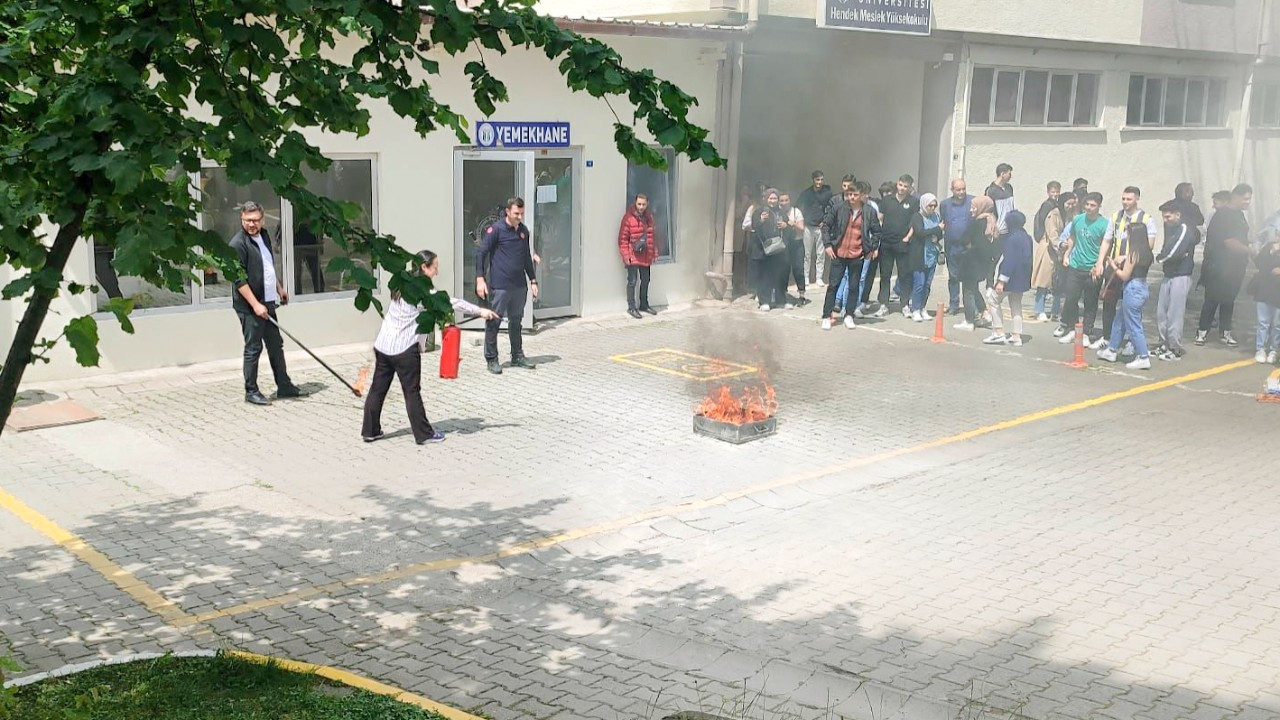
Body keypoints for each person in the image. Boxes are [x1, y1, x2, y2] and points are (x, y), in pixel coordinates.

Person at [363, 251, 498, 445]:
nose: (437, 271)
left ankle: (370, 431)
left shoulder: (400, 285)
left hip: (383, 345)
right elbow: (453, 303)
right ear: (424, 267)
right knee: (411, 392)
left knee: (377, 389)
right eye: (434, 267)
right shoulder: (425, 293)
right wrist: (480, 311)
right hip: (403, 349)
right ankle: (424, 434)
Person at [229, 201, 307, 406]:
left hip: (268, 300)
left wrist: (279, 289)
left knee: (275, 344)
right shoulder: (238, 244)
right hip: (249, 306)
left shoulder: (263, 236)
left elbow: (267, 267)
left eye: (255, 220)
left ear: (262, 220)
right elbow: (239, 281)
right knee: (253, 347)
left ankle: (284, 385)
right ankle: (251, 391)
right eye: (247, 220)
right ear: (242, 219)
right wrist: (255, 305)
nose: (252, 224)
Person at [476, 196, 538, 374]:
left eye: (522, 213)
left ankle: (517, 355)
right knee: (493, 321)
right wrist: (480, 279)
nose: (519, 217)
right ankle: (491, 359)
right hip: (500, 285)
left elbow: (526, 257)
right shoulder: (496, 230)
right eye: (516, 213)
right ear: (508, 212)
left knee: (516, 321)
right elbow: (481, 253)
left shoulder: (523, 231)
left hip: (519, 285)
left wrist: (533, 280)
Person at [1095, 186, 1158, 351]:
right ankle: (1108, 338)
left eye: (1129, 199)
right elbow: (1107, 241)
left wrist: (1128, 256)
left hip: (1133, 270)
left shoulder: (1146, 218)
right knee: (1109, 302)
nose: (1125, 202)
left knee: (1131, 306)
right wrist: (1100, 262)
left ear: (1137, 199)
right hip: (1114, 268)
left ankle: (1132, 341)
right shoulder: (1116, 217)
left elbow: (1149, 244)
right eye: (1123, 198)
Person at [1196, 183, 1253, 347]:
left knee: (1229, 300)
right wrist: (1250, 250)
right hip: (1217, 267)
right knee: (1212, 300)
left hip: (1235, 268)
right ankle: (1202, 332)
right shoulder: (1222, 216)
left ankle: (1225, 332)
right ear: (1236, 196)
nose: (1248, 202)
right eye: (1246, 198)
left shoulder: (1240, 215)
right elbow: (1229, 241)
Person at [821, 183, 881, 330]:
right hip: (838, 253)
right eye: (849, 194)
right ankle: (826, 316)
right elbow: (826, 226)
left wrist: (871, 249)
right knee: (833, 286)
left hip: (857, 254)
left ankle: (849, 315)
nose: (852, 197)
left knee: (854, 286)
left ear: (861, 195)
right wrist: (828, 245)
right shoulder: (839, 208)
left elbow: (877, 232)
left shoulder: (869, 211)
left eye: (855, 194)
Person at [1056, 192, 1112, 347]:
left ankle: (1086, 332)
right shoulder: (1078, 219)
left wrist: (1099, 264)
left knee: (1090, 302)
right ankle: (1074, 330)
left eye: (1092, 205)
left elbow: (1105, 246)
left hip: (1092, 268)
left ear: (1099, 206)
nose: (1089, 208)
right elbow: (1072, 238)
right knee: (1070, 299)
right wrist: (1067, 254)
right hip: (1075, 265)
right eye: (1087, 204)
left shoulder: (1104, 224)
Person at [1097, 224, 1155, 369]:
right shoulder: (1146, 252)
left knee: (1134, 325)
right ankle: (1112, 349)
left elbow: (1124, 275)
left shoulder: (1133, 253)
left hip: (1132, 289)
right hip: (1141, 287)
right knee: (1119, 320)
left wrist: (1113, 265)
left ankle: (1143, 356)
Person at [1153, 200, 1199, 361]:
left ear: (1178, 215)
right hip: (1169, 274)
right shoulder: (1171, 228)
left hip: (1181, 275)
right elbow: (1170, 250)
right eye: (1164, 217)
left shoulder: (1184, 229)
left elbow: (1172, 251)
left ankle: (1175, 348)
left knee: (1175, 314)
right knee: (1162, 312)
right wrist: (1167, 256)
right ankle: (1163, 343)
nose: (1165, 220)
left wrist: (1161, 258)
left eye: (1168, 217)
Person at [983, 210, 1033, 346]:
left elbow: (1009, 261)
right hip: (1022, 278)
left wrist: (1001, 281)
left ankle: (998, 332)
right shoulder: (1027, 237)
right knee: (1016, 305)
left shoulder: (1012, 239)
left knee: (993, 300)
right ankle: (1017, 335)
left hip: (1010, 278)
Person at [877, 174, 919, 316]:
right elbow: (880, 219)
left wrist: (907, 237)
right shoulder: (887, 200)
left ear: (910, 188)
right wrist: (880, 235)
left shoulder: (913, 202)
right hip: (886, 243)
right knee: (885, 275)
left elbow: (914, 222)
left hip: (903, 243)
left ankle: (905, 305)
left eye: (905, 186)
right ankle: (883, 304)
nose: (902, 188)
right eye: (900, 185)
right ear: (897, 184)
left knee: (904, 275)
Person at [954, 195, 996, 331]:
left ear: (981, 207)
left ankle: (969, 320)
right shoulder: (991, 220)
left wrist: (967, 245)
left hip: (972, 262)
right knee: (974, 289)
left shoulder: (977, 223)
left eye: (973, 208)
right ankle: (984, 312)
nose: (971, 210)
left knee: (968, 290)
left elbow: (964, 239)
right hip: (983, 262)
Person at [618, 193, 658, 319]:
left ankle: (644, 304)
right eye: (639, 204)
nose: (641, 207)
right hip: (632, 255)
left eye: (643, 204)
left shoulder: (649, 217)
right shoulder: (628, 218)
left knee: (646, 280)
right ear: (635, 203)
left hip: (646, 254)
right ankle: (631, 307)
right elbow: (622, 239)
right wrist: (626, 256)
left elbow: (652, 237)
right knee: (632, 281)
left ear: (647, 204)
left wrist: (654, 252)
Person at [750, 189, 790, 311]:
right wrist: (761, 220)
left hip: (778, 248)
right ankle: (764, 301)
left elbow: (788, 227)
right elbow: (754, 227)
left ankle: (780, 300)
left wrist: (785, 225)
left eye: (775, 198)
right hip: (763, 249)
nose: (773, 201)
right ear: (766, 199)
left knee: (779, 275)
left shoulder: (781, 212)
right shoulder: (759, 211)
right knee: (764, 275)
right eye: (770, 198)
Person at [909, 193, 944, 321]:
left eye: (934, 206)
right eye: (930, 205)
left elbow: (940, 232)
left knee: (927, 284)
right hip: (919, 254)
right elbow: (920, 233)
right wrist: (936, 229)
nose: (932, 208)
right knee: (919, 283)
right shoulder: (917, 216)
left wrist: (938, 234)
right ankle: (915, 309)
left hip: (932, 254)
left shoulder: (936, 216)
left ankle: (923, 308)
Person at [941, 179, 974, 315]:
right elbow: (944, 223)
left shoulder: (972, 201)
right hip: (952, 246)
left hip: (968, 247)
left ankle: (970, 307)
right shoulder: (944, 205)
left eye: (963, 189)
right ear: (952, 190)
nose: (961, 192)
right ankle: (953, 305)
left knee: (969, 277)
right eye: (958, 190)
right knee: (953, 277)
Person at [1030, 182, 1062, 322]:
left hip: (1053, 246)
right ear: (1048, 192)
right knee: (1043, 280)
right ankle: (1039, 309)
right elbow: (1050, 230)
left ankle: (1054, 311)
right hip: (1048, 246)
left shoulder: (1058, 207)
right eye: (1052, 192)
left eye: (1057, 192)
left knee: (1057, 282)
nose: (1055, 194)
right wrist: (1058, 247)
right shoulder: (1049, 208)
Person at [796, 171, 833, 287]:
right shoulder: (806, 193)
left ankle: (819, 278)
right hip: (808, 226)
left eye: (821, 179)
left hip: (821, 226)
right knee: (807, 253)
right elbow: (797, 207)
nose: (819, 182)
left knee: (820, 254)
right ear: (813, 180)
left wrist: (825, 221)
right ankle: (806, 277)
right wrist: (802, 220)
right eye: (817, 180)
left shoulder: (827, 193)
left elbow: (830, 208)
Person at [1047, 193, 1080, 323]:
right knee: (1057, 285)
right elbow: (1053, 234)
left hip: (1070, 254)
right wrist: (1060, 245)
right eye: (1068, 203)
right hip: (1056, 252)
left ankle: (1065, 314)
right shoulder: (1054, 214)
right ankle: (1055, 312)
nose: (1070, 206)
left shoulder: (1072, 216)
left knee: (1067, 288)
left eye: (1073, 203)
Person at [1252, 235, 1280, 364]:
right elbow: (1259, 263)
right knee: (1263, 322)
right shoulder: (1269, 247)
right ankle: (1260, 349)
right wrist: (1271, 251)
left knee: (1277, 324)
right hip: (1264, 290)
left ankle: (1274, 349)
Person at [779, 191, 809, 306]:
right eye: (781, 200)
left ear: (790, 201)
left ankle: (801, 295)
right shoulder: (778, 213)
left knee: (798, 269)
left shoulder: (796, 212)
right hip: (783, 244)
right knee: (783, 270)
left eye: (786, 200)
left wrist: (792, 224)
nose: (784, 203)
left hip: (796, 243)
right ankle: (783, 294)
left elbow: (802, 228)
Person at [985, 163, 1016, 238]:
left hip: (1010, 229)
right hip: (999, 230)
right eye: (1009, 174)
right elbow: (988, 211)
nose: (1011, 176)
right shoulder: (991, 190)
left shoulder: (1009, 188)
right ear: (1002, 174)